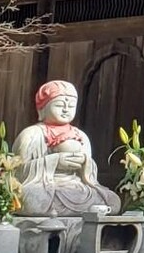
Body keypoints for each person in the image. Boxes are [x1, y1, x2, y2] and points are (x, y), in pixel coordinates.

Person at [14, 79, 122, 216]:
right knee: (28, 200)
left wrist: (85, 162)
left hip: (76, 187)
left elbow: (90, 175)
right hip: (45, 187)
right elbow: (17, 171)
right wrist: (55, 161)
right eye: (59, 105)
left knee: (113, 201)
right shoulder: (31, 134)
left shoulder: (81, 136)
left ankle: (84, 210)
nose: (66, 110)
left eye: (71, 106)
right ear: (42, 108)